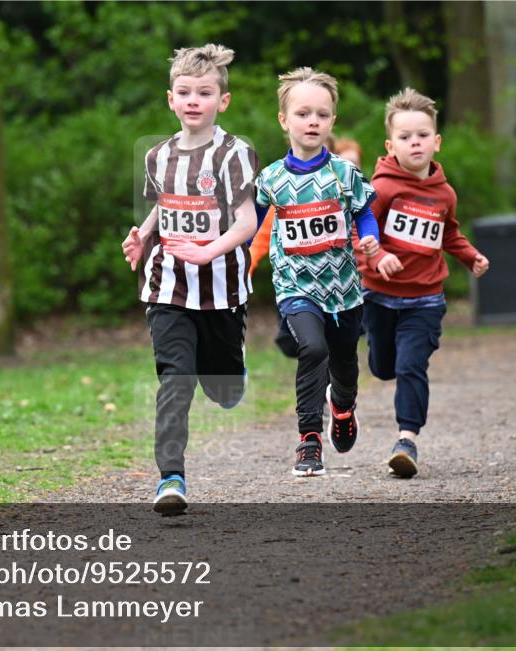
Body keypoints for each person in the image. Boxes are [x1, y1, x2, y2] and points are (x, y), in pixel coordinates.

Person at [121, 44, 258, 515]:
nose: (193, 99)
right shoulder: (157, 156)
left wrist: (209, 250)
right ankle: (171, 477)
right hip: (167, 287)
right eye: (185, 92)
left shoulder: (235, 153)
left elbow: (245, 223)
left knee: (223, 391)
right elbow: (164, 204)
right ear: (171, 99)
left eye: (205, 92)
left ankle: (231, 363)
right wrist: (142, 236)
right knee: (174, 378)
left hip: (222, 288)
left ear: (223, 100)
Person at [254, 67, 400, 477]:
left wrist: (371, 239)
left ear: (332, 121)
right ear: (284, 120)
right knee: (312, 350)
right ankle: (309, 441)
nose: (312, 121)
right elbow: (248, 224)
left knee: (345, 366)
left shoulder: (343, 173)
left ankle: (343, 406)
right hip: (295, 286)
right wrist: (233, 258)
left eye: (321, 114)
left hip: (344, 289)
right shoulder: (270, 179)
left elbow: (364, 216)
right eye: (302, 113)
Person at [355, 88, 489, 479]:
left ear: (436, 141)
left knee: (412, 366)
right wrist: (377, 256)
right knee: (384, 367)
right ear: (390, 144)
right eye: (405, 137)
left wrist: (470, 256)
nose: (415, 142)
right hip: (379, 296)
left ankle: (406, 440)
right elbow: (356, 234)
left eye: (422, 135)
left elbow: (449, 234)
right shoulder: (381, 189)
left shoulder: (444, 193)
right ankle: (382, 363)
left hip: (425, 299)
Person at [250, 137, 364, 278]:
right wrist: (241, 272)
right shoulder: (283, 198)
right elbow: (258, 241)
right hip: (299, 284)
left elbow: (366, 237)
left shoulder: (347, 196)